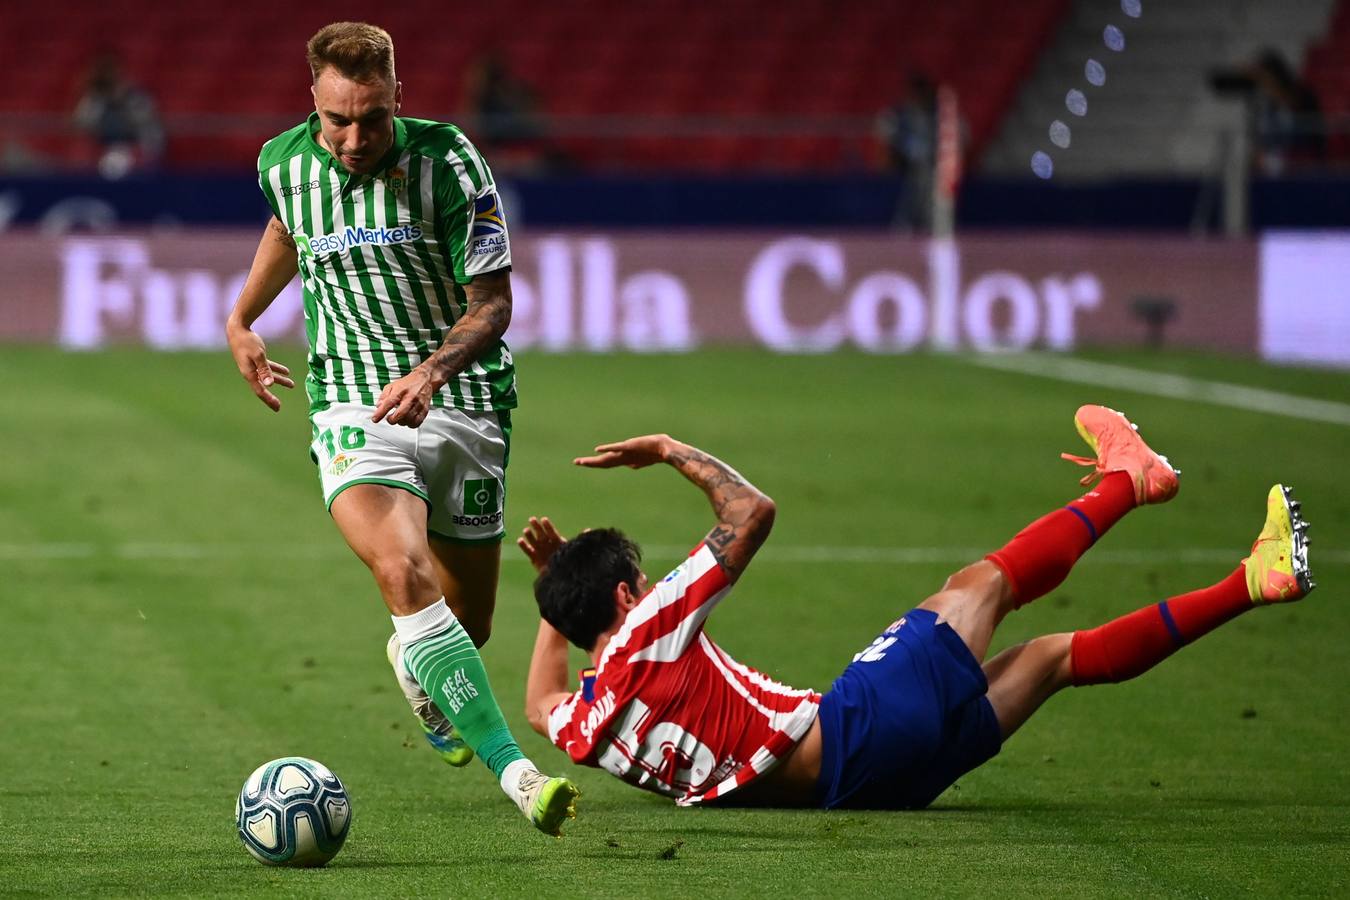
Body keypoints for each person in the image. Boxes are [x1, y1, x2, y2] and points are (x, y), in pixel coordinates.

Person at [513, 406, 1314, 809]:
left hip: (862, 789)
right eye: (641, 580)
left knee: (1054, 657)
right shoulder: (651, 630)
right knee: (983, 584)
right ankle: (1129, 482)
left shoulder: (584, 727)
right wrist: (664, 449)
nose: (652, 590)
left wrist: (558, 591)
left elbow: (539, 701)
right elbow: (750, 513)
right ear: (627, 595)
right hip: (858, 727)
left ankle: (1256, 579)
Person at [223, 21, 578, 836]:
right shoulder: (283, 161)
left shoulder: (450, 161)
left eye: (372, 118)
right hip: (351, 399)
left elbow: (492, 303)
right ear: (312, 97)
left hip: (463, 400)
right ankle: (520, 778)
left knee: (469, 624)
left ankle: (411, 654)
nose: (353, 138)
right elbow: (288, 226)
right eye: (338, 119)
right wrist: (244, 317)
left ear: (397, 99)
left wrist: (431, 372)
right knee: (400, 569)